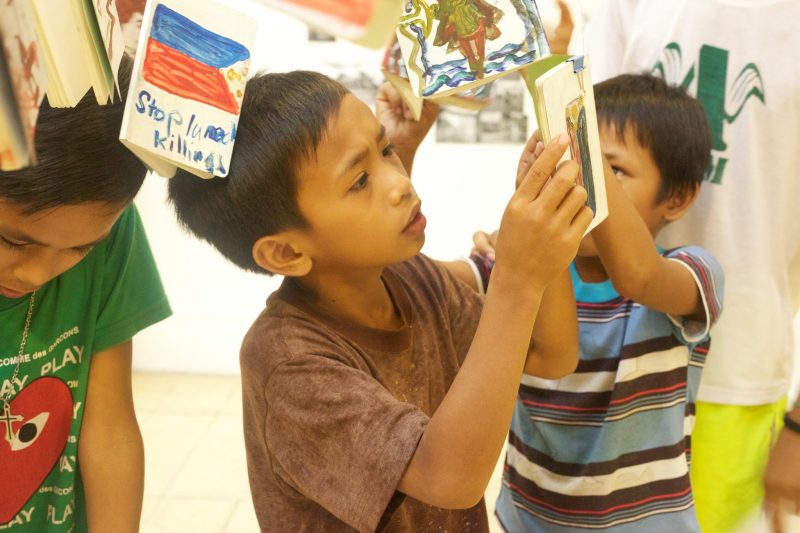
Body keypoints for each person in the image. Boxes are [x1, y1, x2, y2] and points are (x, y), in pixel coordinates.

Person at [166, 70, 592, 531]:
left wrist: (545, 241)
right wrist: (517, 277)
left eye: (387, 149)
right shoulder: (288, 364)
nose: (400, 183)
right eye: (359, 180)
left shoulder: (410, 277)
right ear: (286, 251)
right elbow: (450, 477)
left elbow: (551, 356)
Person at [469, 74, 724, 531]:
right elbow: (426, 282)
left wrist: (579, 145)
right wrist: (517, 237)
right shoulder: (523, 277)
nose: (578, 185)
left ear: (679, 197)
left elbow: (639, 276)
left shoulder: (694, 272)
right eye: (571, 164)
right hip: (525, 520)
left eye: (613, 170)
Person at [582, 2, 800, 530]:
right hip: (602, 368)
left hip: (738, 379)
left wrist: (799, 429)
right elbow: (583, 156)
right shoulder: (627, 8)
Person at [0, 59, 171, 532]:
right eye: (14, 240)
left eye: (79, 248)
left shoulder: (114, 236)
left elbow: (110, 430)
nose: (38, 272)